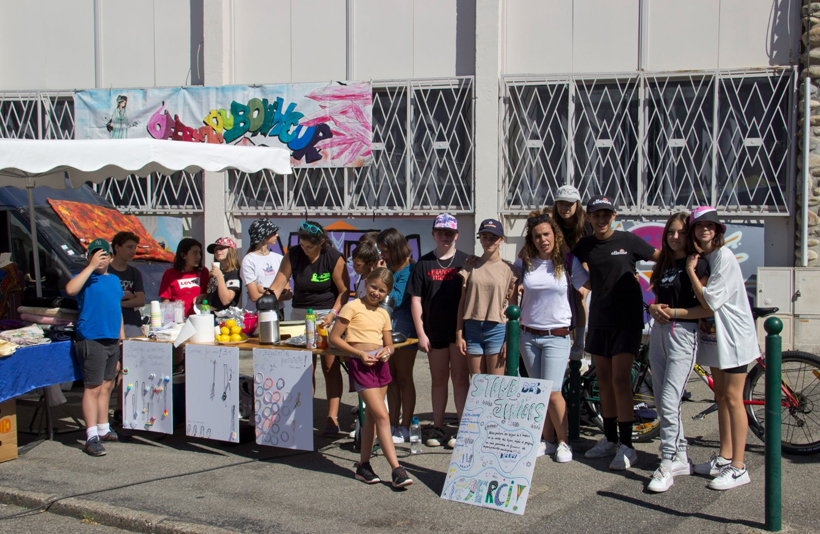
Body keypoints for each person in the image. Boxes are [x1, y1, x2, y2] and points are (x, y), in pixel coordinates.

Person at [571, 196, 659, 470]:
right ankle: (609, 439)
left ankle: (627, 446)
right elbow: (568, 265)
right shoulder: (585, 246)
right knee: (604, 381)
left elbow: (661, 258)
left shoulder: (628, 241)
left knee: (621, 380)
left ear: (614, 215)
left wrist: (657, 287)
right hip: (599, 319)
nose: (601, 219)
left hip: (626, 320)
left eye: (606, 214)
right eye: (596, 214)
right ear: (588, 216)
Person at [686, 207, 757, 490]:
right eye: (699, 225)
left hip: (734, 337)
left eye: (711, 225)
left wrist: (691, 273)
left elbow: (710, 301)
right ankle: (725, 457)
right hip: (715, 336)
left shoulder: (723, 256)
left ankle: (739, 466)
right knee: (721, 396)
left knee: (733, 397)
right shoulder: (708, 257)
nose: (705, 229)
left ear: (718, 230)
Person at [515, 210, 589, 464]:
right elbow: (510, 281)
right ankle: (545, 440)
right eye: (537, 236)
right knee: (537, 392)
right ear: (531, 240)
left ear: (555, 235)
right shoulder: (525, 262)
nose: (542, 240)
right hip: (528, 335)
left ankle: (563, 441)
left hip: (557, 336)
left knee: (553, 392)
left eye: (546, 234)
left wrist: (581, 295)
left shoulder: (568, 262)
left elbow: (587, 283)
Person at [645, 212, 711, 492]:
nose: (675, 237)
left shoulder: (697, 263)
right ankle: (681, 455)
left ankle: (668, 460)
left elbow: (706, 308)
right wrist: (653, 308)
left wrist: (671, 312)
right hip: (659, 333)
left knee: (671, 399)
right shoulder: (665, 264)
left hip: (684, 333)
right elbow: (658, 299)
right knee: (661, 400)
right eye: (671, 232)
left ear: (691, 235)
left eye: (681, 232)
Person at [329, 267, 413, 488]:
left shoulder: (384, 313)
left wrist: (388, 351)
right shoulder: (352, 307)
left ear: (388, 293)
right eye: (374, 287)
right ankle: (397, 469)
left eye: (382, 290)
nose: (376, 293)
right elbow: (334, 338)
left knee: (373, 419)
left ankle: (363, 465)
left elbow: (389, 344)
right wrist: (358, 354)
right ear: (366, 283)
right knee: (383, 416)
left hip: (380, 366)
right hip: (361, 364)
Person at [271, 221, 350, 436]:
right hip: (299, 314)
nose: (304, 249)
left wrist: (333, 313)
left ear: (321, 243)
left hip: (326, 314)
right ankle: (303, 414)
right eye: (302, 245)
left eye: (309, 247)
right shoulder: (293, 255)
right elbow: (278, 283)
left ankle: (332, 418)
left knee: (329, 366)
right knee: (304, 367)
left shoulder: (333, 258)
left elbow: (344, 291)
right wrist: (267, 298)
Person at [408, 214, 469, 449]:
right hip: (434, 332)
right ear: (433, 234)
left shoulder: (466, 261)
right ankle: (439, 426)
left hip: (459, 332)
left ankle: (462, 428)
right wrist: (421, 333)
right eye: (441, 232)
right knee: (439, 379)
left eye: (450, 233)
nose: (445, 236)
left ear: (456, 235)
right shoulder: (423, 264)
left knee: (461, 379)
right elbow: (416, 300)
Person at [66, 238, 124, 457]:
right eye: (96, 254)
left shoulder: (115, 280)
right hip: (92, 338)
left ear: (110, 257)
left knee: (107, 385)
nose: (101, 259)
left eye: (105, 255)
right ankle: (90, 436)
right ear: (89, 256)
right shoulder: (84, 277)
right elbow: (71, 289)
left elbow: (116, 308)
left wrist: (121, 338)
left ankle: (103, 428)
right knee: (93, 387)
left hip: (111, 339)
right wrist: (90, 266)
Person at [456, 219, 520, 377]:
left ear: (501, 240)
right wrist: (459, 333)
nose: (489, 241)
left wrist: (509, 340)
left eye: (493, 237)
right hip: (472, 328)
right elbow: (462, 302)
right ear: (480, 238)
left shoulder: (509, 270)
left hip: (497, 329)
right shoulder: (470, 265)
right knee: (477, 384)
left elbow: (514, 310)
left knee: (495, 385)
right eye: (485, 237)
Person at [376, 228, 417, 444]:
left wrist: (384, 278)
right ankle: (392, 423)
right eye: (381, 252)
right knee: (390, 378)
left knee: (403, 377)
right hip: (384, 328)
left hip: (404, 328)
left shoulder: (410, 269)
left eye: (386, 251)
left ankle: (405, 426)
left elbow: (397, 299)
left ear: (396, 248)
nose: (383, 256)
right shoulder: (388, 268)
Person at [241, 219, 290, 315]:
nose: (277, 235)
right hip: (257, 312)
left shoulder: (279, 258)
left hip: (277, 311)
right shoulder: (249, 260)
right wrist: (277, 294)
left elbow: (288, 293)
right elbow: (254, 296)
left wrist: (262, 289)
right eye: (273, 232)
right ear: (263, 236)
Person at [159, 238, 209, 317]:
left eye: (199, 253)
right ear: (183, 255)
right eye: (194, 253)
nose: (199, 257)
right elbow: (165, 300)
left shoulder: (203, 272)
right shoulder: (169, 274)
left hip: (199, 318)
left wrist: (204, 296)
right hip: (177, 320)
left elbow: (210, 295)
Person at [108, 231, 145, 338]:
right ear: (117, 247)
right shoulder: (106, 271)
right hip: (112, 324)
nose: (133, 251)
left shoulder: (134, 273)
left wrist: (118, 303)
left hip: (132, 326)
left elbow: (140, 300)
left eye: (135, 248)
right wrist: (129, 296)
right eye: (129, 247)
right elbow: (105, 299)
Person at [201, 237, 242, 311]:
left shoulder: (233, 274)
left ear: (231, 250)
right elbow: (216, 296)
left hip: (224, 318)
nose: (218, 251)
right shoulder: (218, 272)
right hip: (211, 315)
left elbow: (226, 301)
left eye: (222, 248)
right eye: (216, 249)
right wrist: (204, 297)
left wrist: (219, 276)